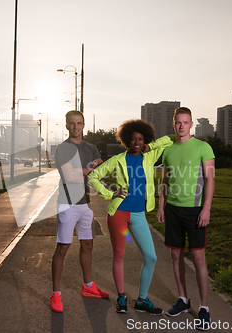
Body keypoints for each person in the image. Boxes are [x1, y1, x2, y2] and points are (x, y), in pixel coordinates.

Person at [88, 119, 174, 315]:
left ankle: (142, 300)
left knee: (151, 257)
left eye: (141, 139)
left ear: (145, 140)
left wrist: (151, 146)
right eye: (133, 139)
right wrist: (110, 194)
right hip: (119, 213)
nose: (137, 142)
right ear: (127, 140)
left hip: (138, 214)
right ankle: (121, 297)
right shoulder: (117, 160)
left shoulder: (149, 156)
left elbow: (170, 139)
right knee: (119, 256)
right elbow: (93, 177)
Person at [156, 107, 215, 331]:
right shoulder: (169, 150)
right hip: (173, 209)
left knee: (198, 258)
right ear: (174, 124)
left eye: (185, 122)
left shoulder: (203, 147)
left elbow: (210, 180)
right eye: (178, 122)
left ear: (191, 124)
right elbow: (165, 181)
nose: (181, 126)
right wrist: (161, 206)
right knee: (175, 255)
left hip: (195, 209)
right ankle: (183, 299)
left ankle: (205, 308)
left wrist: (206, 208)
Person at [50, 110, 108, 313]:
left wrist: (86, 170)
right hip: (67, 203)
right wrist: (90, 171)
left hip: (84, 203)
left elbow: (100, 171)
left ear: (84, 125)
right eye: (72, 123)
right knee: (63, 248)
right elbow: (69, 176)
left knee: (88, 244)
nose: (76, 127)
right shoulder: (62, 149)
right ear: (66, 126)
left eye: (79, 123)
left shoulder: (91, 148)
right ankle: (56, 294)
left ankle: (88, 286)